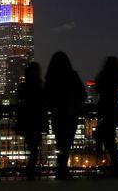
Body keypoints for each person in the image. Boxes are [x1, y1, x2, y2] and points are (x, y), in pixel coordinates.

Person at [44, 52, 86, 180]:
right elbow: (83, 94)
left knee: (60, 142)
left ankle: (61, 169)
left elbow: (46, 97)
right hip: (70, 113)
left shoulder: (50, 77)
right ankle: (63, 169)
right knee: (67, 142)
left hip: (57, 114)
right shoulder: (72, 76)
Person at [95, 56, 118, 173]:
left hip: (104, 108)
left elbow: (97, 87)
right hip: (114, 110)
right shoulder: (117, 75)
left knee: (108, 139)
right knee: (110, 139)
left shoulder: (102, 75)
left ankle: (99, 144)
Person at [16, 62, 46, 180]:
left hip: (27, 120)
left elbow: (20, 100)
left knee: (31, 146)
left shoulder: (24, 86)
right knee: (34, 147)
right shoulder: (38, 84)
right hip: (36, 119)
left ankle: (30, 170)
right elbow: (43, 100)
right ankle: (30, 171)